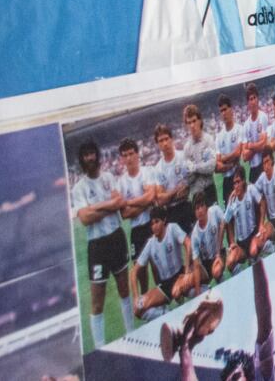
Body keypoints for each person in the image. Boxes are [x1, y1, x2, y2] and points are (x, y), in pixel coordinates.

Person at [70, 140, 134, 347]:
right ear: (82, 160)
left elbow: (121, 204)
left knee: (124, 289)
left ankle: (132, 334)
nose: (89, 158)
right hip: (96, 246)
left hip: (116, 237)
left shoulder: (108, 178)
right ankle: (100, 347)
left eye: (92, 154)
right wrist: (109, 205)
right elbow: (85, 219)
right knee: (97, 301)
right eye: (85, 155)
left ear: (97, 156)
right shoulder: (78, 188)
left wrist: (94, 208)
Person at [130, 208, 196, 318]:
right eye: (152, 224)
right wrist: (136, 297)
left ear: (164, 220)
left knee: (183, 291)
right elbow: (133, 272)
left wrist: (187, 271)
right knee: (138, 310)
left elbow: (188, 244)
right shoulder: (151, 243)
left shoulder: (172, 228)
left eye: (157, 222)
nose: (154, 226)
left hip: (180, 275)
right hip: (165, 285)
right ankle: (166, 314)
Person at [117, 137, 157, 294]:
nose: (128, 158)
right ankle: (146, 298)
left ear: (137, 154)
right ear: (121, 159)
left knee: (156, 263)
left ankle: (163, 296)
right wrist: (145, 203)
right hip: (135, 230)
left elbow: (151, 196)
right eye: (125, 155)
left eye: (131, 154)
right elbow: (124, 214)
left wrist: (130, 202)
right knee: (140, 269)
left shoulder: (146, 172)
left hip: (150, 225)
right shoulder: (121, 182)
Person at [224, 167, 270, 271]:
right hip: (241, 243)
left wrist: (261, 224)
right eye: (234, 183)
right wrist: (231, 241)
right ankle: (242, 275)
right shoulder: (232, 199)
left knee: (253, 251)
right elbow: (227, 222)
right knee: (230, 262)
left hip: (253, 235)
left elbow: (262, 202)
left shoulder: (251, 189)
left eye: (238, 182)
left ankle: (266, 251)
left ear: (244, 181)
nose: (236, 186)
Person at [151, 124, 193, 234]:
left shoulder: (183, 156)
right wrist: (175, 191)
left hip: (188, 204)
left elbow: (193, 179)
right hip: (172, 212)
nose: (164, 143)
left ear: (171, 139)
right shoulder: (158, 168)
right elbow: (160, 200)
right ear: (157, 144)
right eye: (161, 141)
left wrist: (169, 194)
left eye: (166, 139)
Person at [188, 191, 228, 290]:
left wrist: (218, 252)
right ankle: (205, 290)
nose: (200, 210)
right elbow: (197, 263)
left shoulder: (214, 211)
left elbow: (224, 223)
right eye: (197, 209)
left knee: (216, 272)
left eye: (202, 206)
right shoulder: (195, 234)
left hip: (220, 253)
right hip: (206, 262)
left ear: (206, 206)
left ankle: (223, 284)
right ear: (194, 212)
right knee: (189, 280)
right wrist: (197, 292)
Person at [182, 104, 218, 211]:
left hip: (209, 189)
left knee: (215, 223)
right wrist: (200, 167)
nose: (192, 125)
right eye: (189, 122)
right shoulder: (187, 148)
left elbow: (211, 167)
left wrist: (195, 167)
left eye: (194, 121)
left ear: (200, 121)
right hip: (196, 193)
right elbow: (188, 178)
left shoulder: (208, 140)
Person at [215, 93, 244, 204]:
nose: (223, 113)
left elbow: (237, 153)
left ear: (231, 109)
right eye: (221, 111)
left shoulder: (239, 129)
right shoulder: (218, 136)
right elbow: (217, 165)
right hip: (226, 181)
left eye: (225, 109)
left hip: (238, 175)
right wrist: (230, 164)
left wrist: (224, 159)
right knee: (230, 217)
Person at [240, 84, 270, 183]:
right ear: (247, 103)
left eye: (254, 98)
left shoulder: (263, 117)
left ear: (257, 99)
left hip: (263, 165)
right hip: (252, 170)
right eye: (250, 99)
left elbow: (263, 146)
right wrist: (258, 145)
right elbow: (244, 157)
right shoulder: (246, 125)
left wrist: (249, 145)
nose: (252, 101)